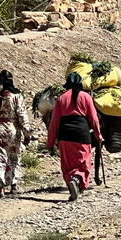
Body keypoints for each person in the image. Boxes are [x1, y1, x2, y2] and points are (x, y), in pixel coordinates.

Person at [47, 72, 103, 201]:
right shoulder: (86, 97)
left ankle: (73, 183)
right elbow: (94, 119)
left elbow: (54, 123)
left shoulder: (61, 98)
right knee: (83, 163)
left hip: (64, 136)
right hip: (82, 135)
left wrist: (50, 144)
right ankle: (76, 179)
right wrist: (98, 135)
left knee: (68, 164)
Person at [0, 70, 32, 198]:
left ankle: (1, 189)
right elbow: (22, 114)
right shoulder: (16, 95)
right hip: (13, 130)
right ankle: (14, 186)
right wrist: (27, 132)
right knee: (14, 157)